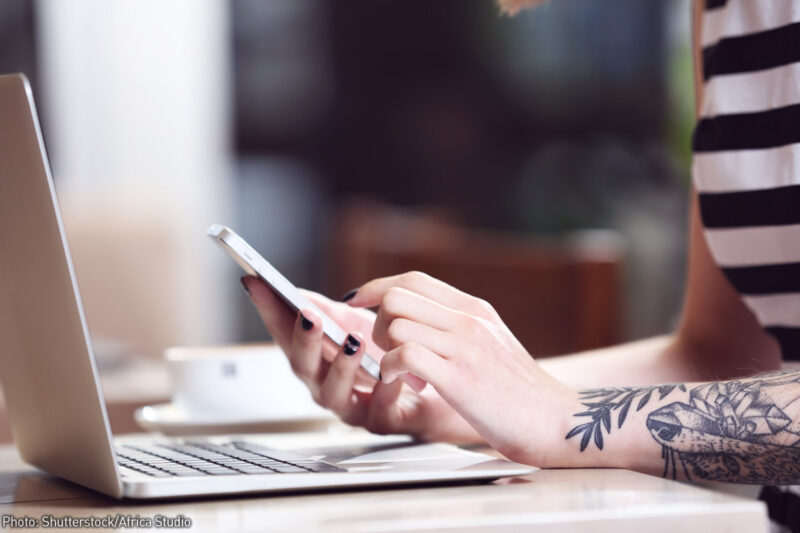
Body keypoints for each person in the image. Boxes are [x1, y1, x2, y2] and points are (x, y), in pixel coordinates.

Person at [242, 0, 800, 527]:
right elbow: (721, 358)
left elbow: (566, 416)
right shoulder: (723, 15)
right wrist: (451, 399)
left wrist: (567, 419)